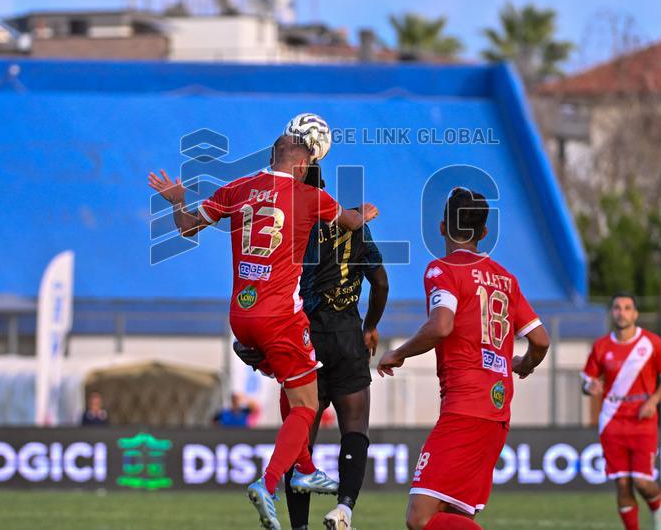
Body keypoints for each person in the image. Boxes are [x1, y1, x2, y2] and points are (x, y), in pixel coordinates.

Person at [149, 135, 378, 530]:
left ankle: (304, 467)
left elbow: (186, 228)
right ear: (304, 166)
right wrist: (365, 213)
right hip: (280, 318)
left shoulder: (236, 188)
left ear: (270, 157)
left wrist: (176, 200)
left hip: (241, 315)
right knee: (306, 406)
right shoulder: (309, 197)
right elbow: (351, 222)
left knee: (294, 391)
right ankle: (268, 483)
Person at [376, 187, 550, 530]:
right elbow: (540, 341)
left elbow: (441, 325)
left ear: (442, 227)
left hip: (464, 409)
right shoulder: (506, 279)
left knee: (420, 518)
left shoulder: (443, 270)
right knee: (455, 517)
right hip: (497, 412)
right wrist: (523, 364)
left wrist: (398, 353)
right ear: (484, 233)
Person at [235, 179, 389, 530]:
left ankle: (299, 527)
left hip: (303, 336)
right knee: (355, 426)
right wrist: (369, 326)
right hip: (348, 337)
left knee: (301, 434)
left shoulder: (290, 228)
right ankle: (344, 509)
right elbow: (380, 282)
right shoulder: (356, 228)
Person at [581, 293, 661, 530]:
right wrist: (589, 386)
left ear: (635, 314)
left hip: (642, 420)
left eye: (627, 308)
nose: (621, 312)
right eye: (617, 308)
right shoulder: (601, 346)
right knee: (622, 484)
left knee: (642, 482)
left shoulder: (651, 343)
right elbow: (586, 381)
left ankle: (658, 514)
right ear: (612, 312)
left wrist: (654, 399)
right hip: (612, 421)